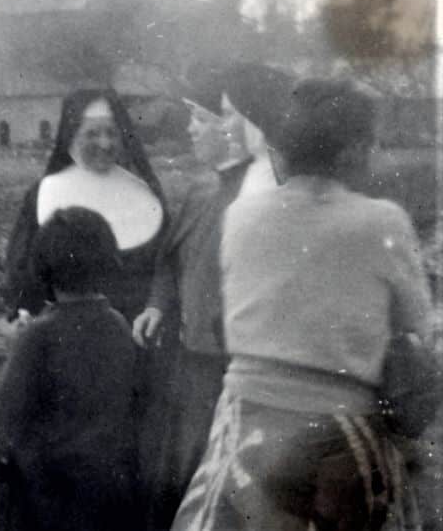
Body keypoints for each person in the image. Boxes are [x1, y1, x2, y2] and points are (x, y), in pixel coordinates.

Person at [172, 78, 432, 530]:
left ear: (282, 149)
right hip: (338, 427)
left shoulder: (242, 213)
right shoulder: (382, 220)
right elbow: (418, 324)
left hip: (247, 419)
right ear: (354, 152)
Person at [131, 63, 295, 530]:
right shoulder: (199, 190)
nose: (190, 129)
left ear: (233, 128)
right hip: (191, 364)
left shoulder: (264, 194)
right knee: (182, 476)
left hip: (236, 368)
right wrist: (157, 304)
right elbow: (170, 259)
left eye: (202, 118)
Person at [0, 207, 143, 531]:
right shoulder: (118, 325)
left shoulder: (38, 334)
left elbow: (2, 417)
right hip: (107, 487)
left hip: (47, 491)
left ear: (45, 267)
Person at [5, 86, 167, 322]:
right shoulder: (43, 193)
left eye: (111, 133)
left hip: (137, 332)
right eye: (92, 134)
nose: (105, 143)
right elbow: (22, 270)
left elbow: (167, 266)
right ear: (71, 136)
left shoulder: (146, 193)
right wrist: (24, 309)